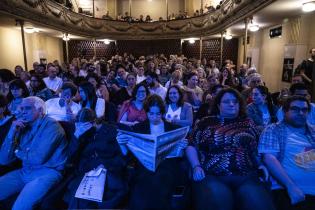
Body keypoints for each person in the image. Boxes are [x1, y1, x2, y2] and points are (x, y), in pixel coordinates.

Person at [186, 88, 276, 210]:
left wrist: (260, 164)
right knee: (219, 200)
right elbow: (191, 145)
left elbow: (254, 148)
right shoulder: (206, 122)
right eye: (226, 101)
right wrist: (196, 166)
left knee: (258, 203)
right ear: (218, 105)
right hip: (213, 175)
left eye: (235, 101)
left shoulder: (248, 122)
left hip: (246, 175)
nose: (231, 104)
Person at [116, 95, 188, 210]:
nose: (154, 117)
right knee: (144, 183)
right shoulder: (138, 128)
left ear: (162, 113)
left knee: (160, 179)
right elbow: (127, 156)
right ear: (146, 112)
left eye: (158, 114)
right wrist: (121, 144)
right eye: (151, 114)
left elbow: (179, 156)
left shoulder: (172, 128)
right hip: (144, 166)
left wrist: (181, 148)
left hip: (167, 166)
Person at [0, 96, 67, 210]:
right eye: (21, 109)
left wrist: (16, 150)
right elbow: (3, 159)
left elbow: (38, 158)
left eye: (27, 108)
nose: (22, 112)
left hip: (47, 172)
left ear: (40, 110)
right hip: (26, 171)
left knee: (19, 208)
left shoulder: (52, 126)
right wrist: (12, 132)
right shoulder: (22, 127)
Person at [63, 108, 128, 209]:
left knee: (94, 199)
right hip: (86, 172)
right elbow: (70, 158)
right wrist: (76, 136)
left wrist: (105, 165)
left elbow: (122, 158)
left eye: (84, 126)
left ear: (93, 123)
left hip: (108, 171)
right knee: (79, 198)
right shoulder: (80, 133)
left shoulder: (112, 131)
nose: (81, 129)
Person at [259, 95, 315, 210]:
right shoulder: (273, 130)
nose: (300, 113)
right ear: (285, 111)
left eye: (304, 110)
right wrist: (291, 187)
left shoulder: (313, 131)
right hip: (291, 190)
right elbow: (269, 158)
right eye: (295, 109)